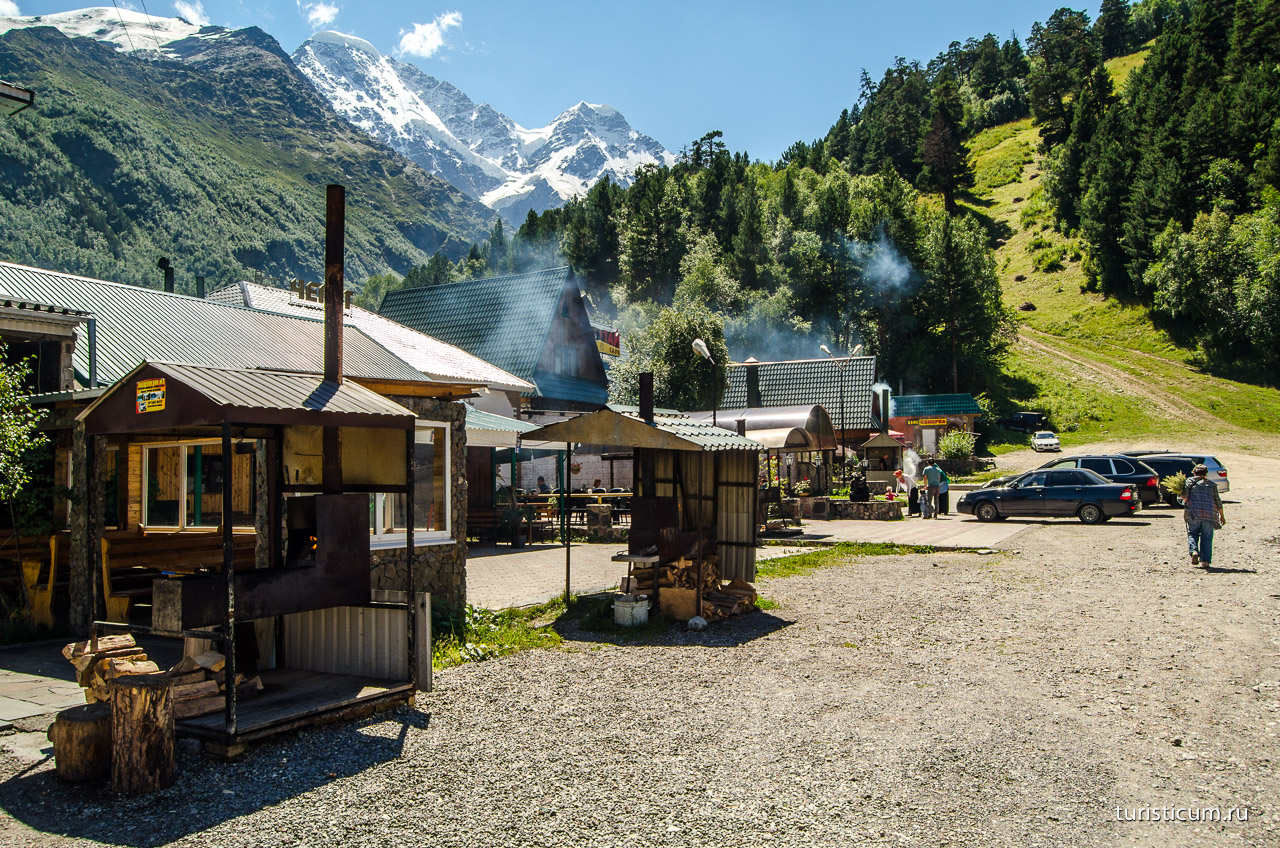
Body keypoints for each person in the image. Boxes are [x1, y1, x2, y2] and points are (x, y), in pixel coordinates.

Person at [1184, 463, 1225, 567]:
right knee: (1207, 538)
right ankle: (1205, 561)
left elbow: (1185, 497)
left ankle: (1194, 552)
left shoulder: (1189, 482)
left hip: (1193, 513)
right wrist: (1222, 516)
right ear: (1206, 474)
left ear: (1194, 472)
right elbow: (1218, 501)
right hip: (1209, 515)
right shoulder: (1212, 485)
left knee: (1192, 534)